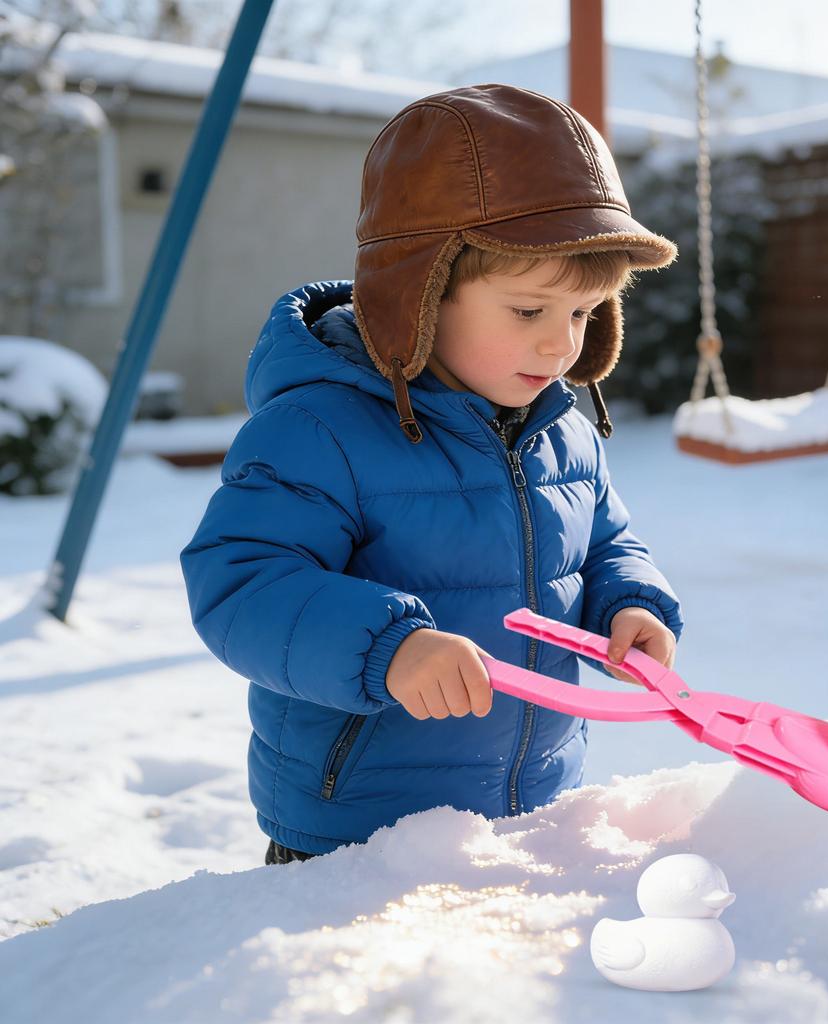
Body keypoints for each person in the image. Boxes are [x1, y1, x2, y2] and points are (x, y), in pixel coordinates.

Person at [180, 84, 684, 866]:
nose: (562, 349)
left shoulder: (563, 434)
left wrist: (629, 602)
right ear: (415, 296)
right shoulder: (320, 428)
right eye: (528, 312)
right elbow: (240, 581)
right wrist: (390, 648)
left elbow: (605, 544)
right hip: (356, 838)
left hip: (524, 812)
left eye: (583, 314)